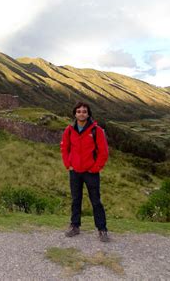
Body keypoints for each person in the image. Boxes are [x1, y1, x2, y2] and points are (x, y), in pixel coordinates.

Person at [60, 102, 110, 242]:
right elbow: (64, 148)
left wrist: (95, 168)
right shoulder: (69, 130)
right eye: (79, 111)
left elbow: (103, 152)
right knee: (76, 199)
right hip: (75, 171)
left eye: (84, 111)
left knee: (96, 201)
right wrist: (68, 164)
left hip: (91, 172)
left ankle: (102, 229)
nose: (81, 113)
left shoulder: (96, 130)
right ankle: (75, 226)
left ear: (88, 114)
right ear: (75, 114)